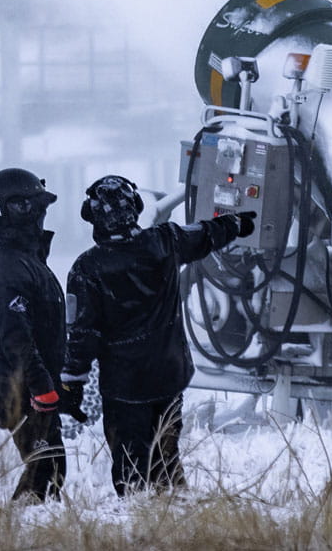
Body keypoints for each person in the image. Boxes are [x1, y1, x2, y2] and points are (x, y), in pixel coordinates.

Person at [59, 175, 253, 496]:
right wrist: (236, 223)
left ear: (91, 216)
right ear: (135, 208)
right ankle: (173, 516)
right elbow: (205, 234)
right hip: (168, 376)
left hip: (123, 388)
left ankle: (140, 524)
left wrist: (72, 382)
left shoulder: (86, 269)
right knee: (166, 455)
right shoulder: (165, 241)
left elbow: (83, 334)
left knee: (130, 467)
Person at [0, 166, 75, 501]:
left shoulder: (18, 256)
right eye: (38, 208)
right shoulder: (9, 265)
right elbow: (15, 336)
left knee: (48, 469)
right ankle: (22, 530)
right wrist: (42, 387)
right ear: (18, 209)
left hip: (25, 387)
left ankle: (29, 529)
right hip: (22, 391)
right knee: (44, 473)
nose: (43, 216)